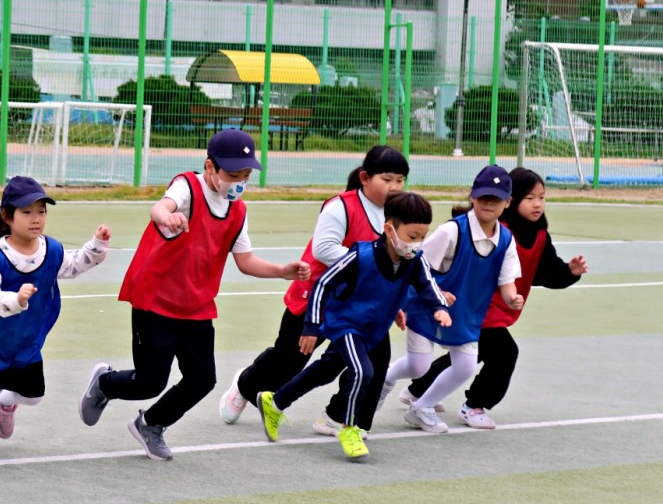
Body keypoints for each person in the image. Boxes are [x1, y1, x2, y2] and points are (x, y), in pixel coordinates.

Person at [77, 128, 310, 461]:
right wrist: (168, 216)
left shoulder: (238, 211)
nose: (240, 181)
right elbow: (160, 207)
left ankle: (151, 424)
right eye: (233, 174)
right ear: (210, 167)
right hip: (155, 299)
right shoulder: (188, 187)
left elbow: (245, 261)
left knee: (203, 379)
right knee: (150, 382)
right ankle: (105, 384)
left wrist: (281, 271)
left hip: (196, 305)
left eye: (246, 175)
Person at [219, 145, 410, 438]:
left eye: (400, 180)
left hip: (360, 305)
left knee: (375, 359)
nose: (395, 186)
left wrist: (389, 298)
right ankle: (246, 386)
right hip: (318, 296)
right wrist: (370, 267)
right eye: (387, 179)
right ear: (364, 177)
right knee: (290, 362)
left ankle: (342, 418)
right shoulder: (341, 206)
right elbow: (324, 249)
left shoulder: (397, 215)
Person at [255, 191, 451, 459]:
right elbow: (322, 283)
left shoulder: (414, 260)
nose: (416, 244)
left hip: (374, 328)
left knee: (324, 371)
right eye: (412, 237)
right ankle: (349, 427)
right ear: (389, 229)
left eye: (422, 238)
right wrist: (311, 326)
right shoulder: (360, 255)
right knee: (362, 372)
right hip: (346, 323)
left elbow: (428, 286)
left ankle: (274, 402)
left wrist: (439, 307)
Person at [401, 167, 588, 428]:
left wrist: (569, 271)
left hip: (498, 309)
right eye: (530, 197)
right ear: (512, 200)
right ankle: (473, 405)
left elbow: (544, 273)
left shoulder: (539, 236)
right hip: (478, 306)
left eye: (542, 198)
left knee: (468, 355)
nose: (537, 204)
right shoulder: (496, 231)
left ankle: (418, 391)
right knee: (503, 353)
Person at [0, 176, 111, 460]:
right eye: (26, 212)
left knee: (34, 395)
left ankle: (6, 402)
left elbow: (73, 266)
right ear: (7, 217)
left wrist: (96, 246)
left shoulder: (49, 250)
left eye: (41, 211)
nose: (35, 218)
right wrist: (16, 299)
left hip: (25, 341)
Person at [382, 165, 525, 434]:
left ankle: (422, 407)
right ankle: (384, 380)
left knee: (466, 366)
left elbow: (507, 285)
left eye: (496, 199)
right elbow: (417, 267)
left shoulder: (506, 240)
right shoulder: (452, 231)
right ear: (472, 196)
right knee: (418, 365)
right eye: (484, 197)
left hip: (465, 314)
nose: (488, 203)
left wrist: (512, 299)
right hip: (426, 306)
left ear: (507, 203)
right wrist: (436, 292)